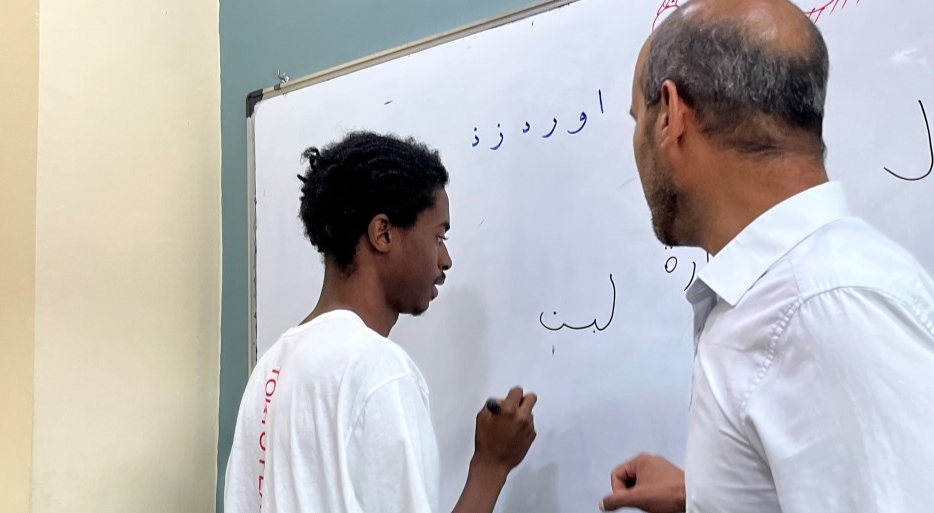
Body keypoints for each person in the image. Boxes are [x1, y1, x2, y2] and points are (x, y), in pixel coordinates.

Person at [602, 0, 934, 511]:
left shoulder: (827, 309)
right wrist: (708, 494)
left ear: (671, 114)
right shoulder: (794, 297)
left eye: (637, 118)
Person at [225, 131, 537, 513]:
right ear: (384, 233)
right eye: (438, 236)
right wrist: (491, 466)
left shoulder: (270, 372)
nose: (446, 260)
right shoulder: (378, 370)